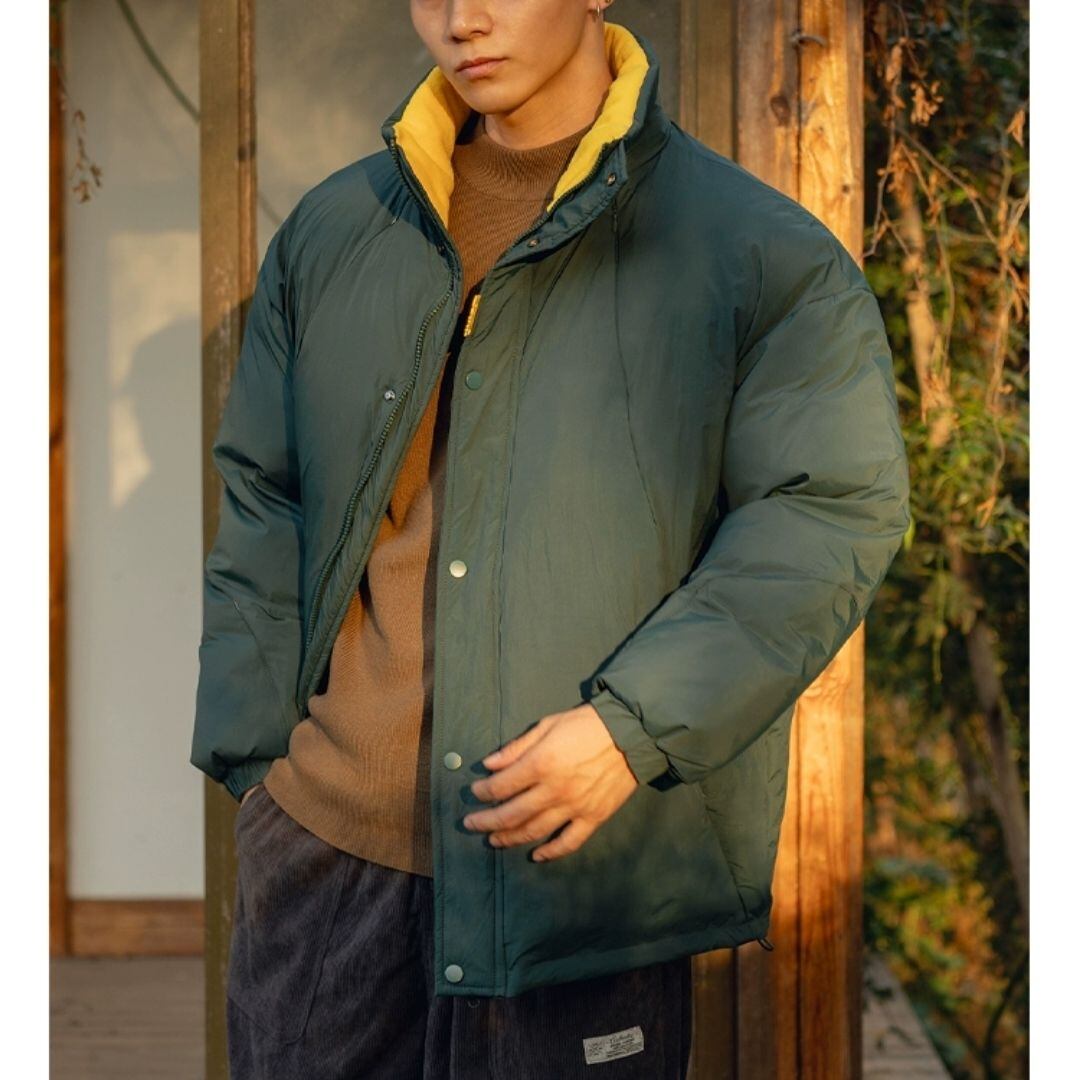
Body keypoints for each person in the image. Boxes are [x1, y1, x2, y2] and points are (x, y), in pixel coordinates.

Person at [191, 2, 910, 1077]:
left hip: (574, 870)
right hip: (327, 858)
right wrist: (262, 771)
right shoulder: (340, 229)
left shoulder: (754, 250)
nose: (461, 19)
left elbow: (827, 508)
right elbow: (265, 493)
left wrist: (634, 728)